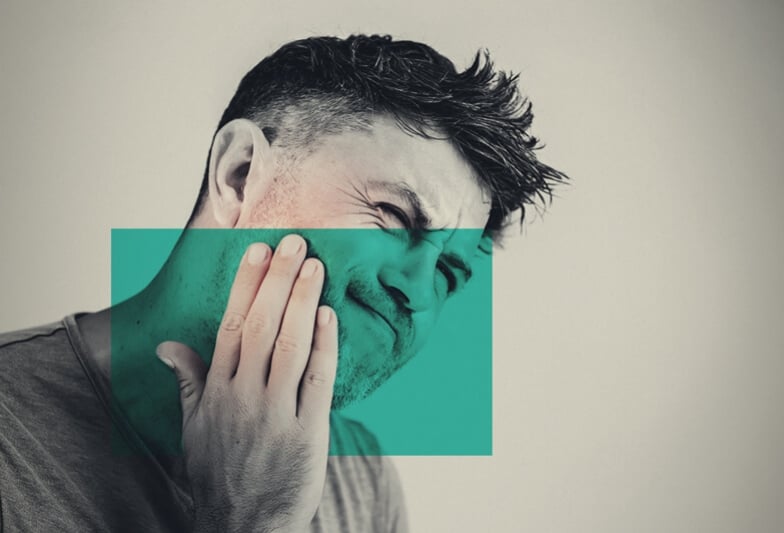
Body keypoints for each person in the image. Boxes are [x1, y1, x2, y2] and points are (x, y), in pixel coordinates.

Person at [0, 34, 567, 532]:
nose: (418, 293)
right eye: (394, 216)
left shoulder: (363, 479)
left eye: (447, 273)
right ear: (239, 174)